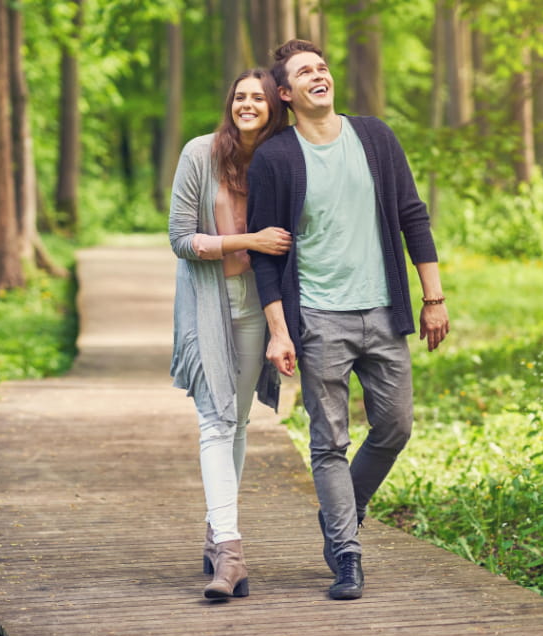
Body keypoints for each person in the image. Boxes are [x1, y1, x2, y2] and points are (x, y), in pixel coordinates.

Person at [247, 39, 450, 600]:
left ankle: (342, 512)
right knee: (328, 441)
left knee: (395, 427)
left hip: (383, 311)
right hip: (317, 318)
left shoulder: (376, 137)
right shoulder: (277, 158)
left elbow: (413, 214)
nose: (319, 75)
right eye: (304, 72)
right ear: (285, 94)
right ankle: (346, 554)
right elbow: (267, 256)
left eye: (323, 67)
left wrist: (433, 297)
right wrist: (280, 330)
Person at [168, 68, 291, 601]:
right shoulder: (200, 154)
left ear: (271, 107)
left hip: (258, 304)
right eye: (239, 96)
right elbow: (179, 238)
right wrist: (250, 240)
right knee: (216, 421)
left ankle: (217, 532)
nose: (246, 104)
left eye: (257, 98)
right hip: (207, 303)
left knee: (236, 421)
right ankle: (233, 552)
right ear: (229, 104)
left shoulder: (281, 157)